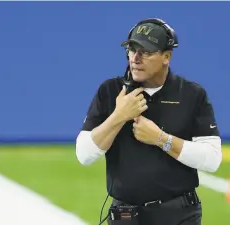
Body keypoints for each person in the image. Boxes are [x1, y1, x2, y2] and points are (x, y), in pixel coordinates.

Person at [76, 18, 222, 225]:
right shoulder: (110, 91)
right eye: (132, 49)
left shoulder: (192, 94)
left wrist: (161, 139)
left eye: (145, 51)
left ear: (167, 57)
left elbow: (212, 159)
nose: (135, 58)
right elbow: (84, 154)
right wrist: (119, 115)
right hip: (125, 215)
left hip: (178, 215)